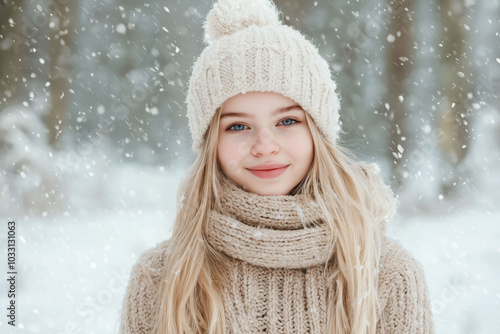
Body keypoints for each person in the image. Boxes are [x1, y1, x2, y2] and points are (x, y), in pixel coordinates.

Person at [119, 0, 435, 333]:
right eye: (238, 126)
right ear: (211, 144)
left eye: (287, 120)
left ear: (317, 133)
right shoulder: (162, 276)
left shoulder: (386, 273)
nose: (265, 145)